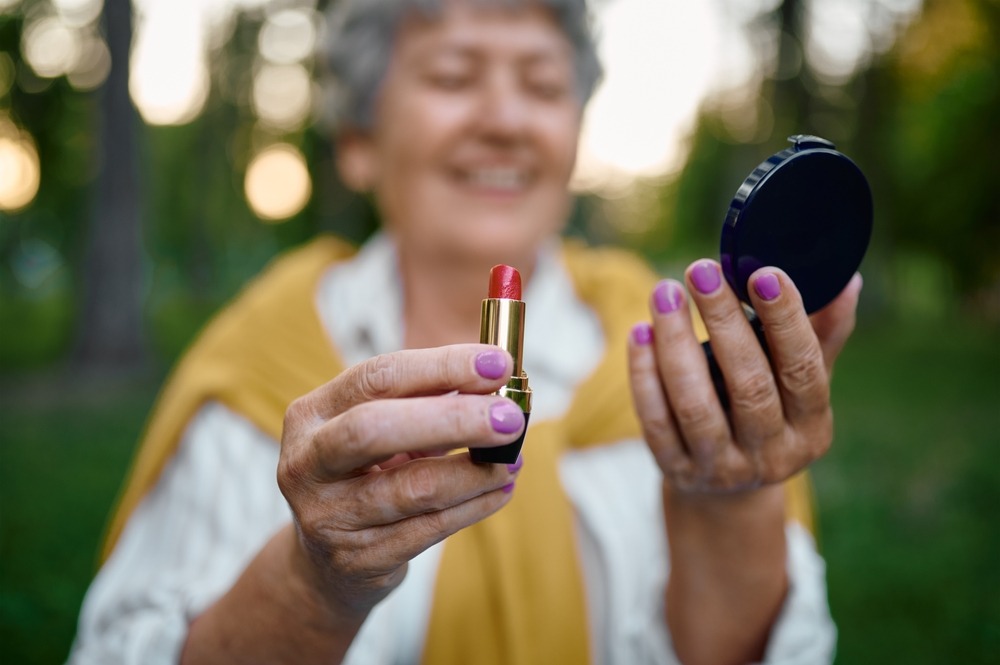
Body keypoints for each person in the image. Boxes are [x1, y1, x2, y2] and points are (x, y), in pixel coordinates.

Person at [69, 1, 862, 663]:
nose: (506, 120)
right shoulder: (259, 361)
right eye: (453, 76)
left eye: (544, 85)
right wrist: (315, 582)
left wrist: (726, 503)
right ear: (357, 142)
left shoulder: (679, 362)